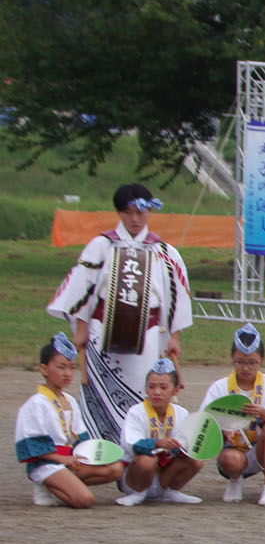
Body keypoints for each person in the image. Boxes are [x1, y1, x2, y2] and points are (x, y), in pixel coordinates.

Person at [47, 182, 193, 446]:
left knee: (146, 392)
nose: (135, 219)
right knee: (98, 396)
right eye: (128, 213)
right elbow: (84, 287)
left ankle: (139, 454)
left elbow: (177, 295)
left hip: (146, 335)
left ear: (150, 212)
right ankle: (97, 454)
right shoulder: (101, 245)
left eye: (140, 212)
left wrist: (174, 336)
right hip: (103, 332)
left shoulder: (164, 251)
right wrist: (80, 329)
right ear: (119, 213)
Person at [16, 333, 127, 508]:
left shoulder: (69, 400)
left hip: (69, 461)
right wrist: (62, 460)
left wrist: (91, 456)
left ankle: (64, 483)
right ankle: (47, 484)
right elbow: (33, 447)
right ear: (44, 369)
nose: (67, 373)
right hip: (46, 463)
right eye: (61, 367)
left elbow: (79, 438)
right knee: (85, 500)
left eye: (71, 368)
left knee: (116, 469)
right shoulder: (36, 404)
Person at [200, 324, 265, 506]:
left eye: (252, 363)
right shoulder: (220, 386)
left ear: (262, 360)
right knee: (230, 459)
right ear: (232, 360)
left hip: (262, 449)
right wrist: (222, 430)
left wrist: (264, 414)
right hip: (234, 449)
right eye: (240, 362)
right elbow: (204, 422)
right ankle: (235, 480)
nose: (246, 368)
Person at [117, 358, 203, 505]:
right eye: (151, 387)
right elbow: (132, 445)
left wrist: (178, 447)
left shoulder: (181, 413)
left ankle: (171, 492)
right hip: (134, 477)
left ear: (175, 390)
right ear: (145, 389)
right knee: (146, 460)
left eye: (163, 387)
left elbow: (186, 443)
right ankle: (138, 493)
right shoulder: (136, 412)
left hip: (163, 473)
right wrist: (157, 443)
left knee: (197, 460)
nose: (157, 392)